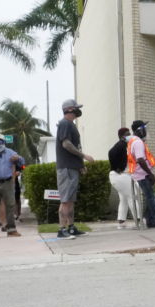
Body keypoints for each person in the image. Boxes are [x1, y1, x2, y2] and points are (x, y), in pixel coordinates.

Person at [56, 99, 95, 240]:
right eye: (76, 108)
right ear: (69, 109)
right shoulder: (65, 124)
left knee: (70, 200)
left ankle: (71, 228)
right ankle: (61, 229)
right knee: (65, 200)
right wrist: (84, 156)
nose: (78, 110)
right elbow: (66, 144)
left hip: (72, 167)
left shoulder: (70, 125)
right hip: (66, 168)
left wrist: (80, 165)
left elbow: (74, 147)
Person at [129, 120, 155, 228]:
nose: (145, 131)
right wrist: (150, 174)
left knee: (148, 197)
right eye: (144, 129)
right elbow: (140, 159)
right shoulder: (138, 142)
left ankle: (150, 221)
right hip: (143, 175)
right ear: (139, 130)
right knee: (151, 198)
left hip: (140, 174)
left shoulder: (133, 141)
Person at [108, 127, 136, 229]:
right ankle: (138, 220)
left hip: (116, 176)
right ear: (122, 136)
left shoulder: (123, 145)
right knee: (133, 196)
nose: (129, 135)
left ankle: (121, 221)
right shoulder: (121, 145)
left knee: (124, 199)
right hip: (119, 175)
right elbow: (110, 152)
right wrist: (117, 168)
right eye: (127, 134)